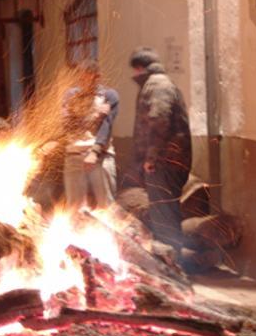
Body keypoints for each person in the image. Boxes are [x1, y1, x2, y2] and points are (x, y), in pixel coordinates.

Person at [128, 47, 192, 252]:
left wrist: (151, 157)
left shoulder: (157, 86)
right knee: (164, 210)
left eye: (134, 70)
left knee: (164, 212)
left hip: (164, 161)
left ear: (139, 68)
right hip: (168, 159)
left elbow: (158, 120)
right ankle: (173, 259)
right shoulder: (160, 83)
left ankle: (173, 265)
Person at [61, 59, 119, 209]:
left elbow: (106, 126)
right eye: (79, 76)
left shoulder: (108, 95)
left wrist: (94, 151)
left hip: (100, 156)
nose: (82, 80)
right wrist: (93, 116)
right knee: (74, 207)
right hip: (74, 155)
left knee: (106, 205)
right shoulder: (70, 96)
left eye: (86, 76)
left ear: (96, 77)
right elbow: (68, 125)